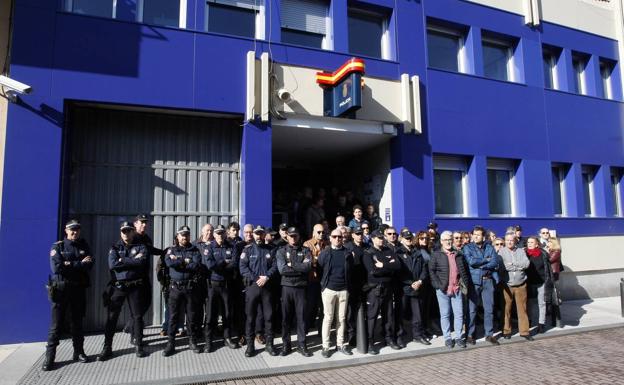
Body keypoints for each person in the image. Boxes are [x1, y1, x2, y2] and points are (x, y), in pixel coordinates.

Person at [42, 220, 94, 371]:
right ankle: (49, 358)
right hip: (61, 291)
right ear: (66, 230)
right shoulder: (58, 246)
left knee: (77, 323)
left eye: (77, 229)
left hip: (78, 291)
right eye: (72, 229)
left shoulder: (84, 245)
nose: (75, 232)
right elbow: (56, 268)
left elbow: (90, 265)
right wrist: (78, 264)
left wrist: (68, 264)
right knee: (56, 326)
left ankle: (79, 352)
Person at [98, 222, 149, 361]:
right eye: (124, 231)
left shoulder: (141, 246)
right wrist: (132, 260)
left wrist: (123, 260)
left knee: (137, 317)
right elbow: (113, 265)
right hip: (118, 287)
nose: (126, 233)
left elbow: (142, 262)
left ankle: (138, 345)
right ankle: (107, 348)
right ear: (121, 232)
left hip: (135, 287)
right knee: (112, 317)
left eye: (129, 231)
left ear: (133, 232)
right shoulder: (114, 247)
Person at [162, 226, 203, 356]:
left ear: (189, 236)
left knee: (191, 316)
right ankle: (171, 343)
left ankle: (192, 341)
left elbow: (196, 265)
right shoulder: (171, 250)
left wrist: (178, 261)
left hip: (190, 288)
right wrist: (185, 262)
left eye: (186, 235)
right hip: (175, 288)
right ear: (177, 237)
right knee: (173, 316)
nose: (184, 237)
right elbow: (169, 263)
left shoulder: (195, 250)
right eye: (182, 235)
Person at [239, 226, 278, 357]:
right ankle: (250, 346)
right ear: (254, 235)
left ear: (264, 235)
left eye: (261, 234)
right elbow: (243, 267)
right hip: (253, 287)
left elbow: (275, 266)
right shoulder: (248, 250)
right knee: (250, 318)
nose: (259, 236)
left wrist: (266, 276)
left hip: (267, 287)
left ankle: (269, 345)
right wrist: (257, 278)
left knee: (269, 317)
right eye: (257, 234)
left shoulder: (271, 249)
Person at [429, 231, 471, 349]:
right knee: (445, 314)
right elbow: (431, 271)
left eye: (450, 240)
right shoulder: (436, 254)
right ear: (441, 241)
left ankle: (458, 337)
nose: (448, 242)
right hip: (443, 290)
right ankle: (447, 338)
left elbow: (463, 271)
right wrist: (437, 285)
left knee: (459, 314)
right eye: (446, 240)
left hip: (457, 288)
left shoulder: (458, 254)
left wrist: (464, 283)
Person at [363, 230, 402, 354]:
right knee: (372, 317)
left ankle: (389, 339)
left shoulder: (388, 250)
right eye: (379, 238)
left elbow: (397, 266)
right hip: (375, 289)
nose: (381, 239)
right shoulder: (368, 253)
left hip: (388, 288)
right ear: (373, 239)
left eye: (382, 237)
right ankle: (370, 342)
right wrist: (388, 267)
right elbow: (373, 271)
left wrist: (383, 265)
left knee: (389, 315)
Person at [276, 227, 313, 357]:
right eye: (291, 236)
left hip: (301, 288)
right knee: (286, 318)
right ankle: (286, 345)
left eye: (295, 236)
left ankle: (302, 345)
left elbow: (308, 267)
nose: (293, 238)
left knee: (301, 318)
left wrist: (292, 265)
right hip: (287, 288)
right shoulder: (281, 251)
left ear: (298, 236)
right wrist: (299, 267)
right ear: (287, 237)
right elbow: (282, 270)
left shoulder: (306, 250)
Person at [202, 224, 239, 352]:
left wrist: (222, 266)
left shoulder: (232, 246)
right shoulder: (209, 247)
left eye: (222, 233)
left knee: (227, 313)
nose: (220, 235)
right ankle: (209, 341)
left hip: (226, 286)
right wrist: (224, 262)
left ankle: (227, 338)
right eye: (218, 233)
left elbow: (234, 264)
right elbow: (210, 265)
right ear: (214, 235)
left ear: (225, 234)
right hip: (213, 286)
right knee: (211, 314)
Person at [318, 228, 354, 357]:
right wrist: (324, 286)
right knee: (328, 318)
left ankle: (340, 344)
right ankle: (326, 346)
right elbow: (320, 267)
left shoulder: (347, 253)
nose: (337, 239)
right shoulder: (325, 253)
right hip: (329, 290)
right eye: (335, 236)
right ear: (330, 238)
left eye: (340, 237)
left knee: (342, 319)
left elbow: (350, 270)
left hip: (343, 290)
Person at [462, 225, 500, 345]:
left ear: (483, 237)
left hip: (488, 281)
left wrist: (483, 264)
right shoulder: (467, 247)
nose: (476, 236)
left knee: (489, 309)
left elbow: (495, 262)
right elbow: (471, 262)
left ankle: (489, 334)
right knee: (472, 310)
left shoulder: (489, 247)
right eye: (474, 234)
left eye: (478, 234)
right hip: (474, 282)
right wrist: (486, 260)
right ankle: (470, 335)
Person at [397, 229, 431, 346]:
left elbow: (424, 269)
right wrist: (411, 283)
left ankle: (417, 335)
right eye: (406, 238)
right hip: (404, 288)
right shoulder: (398, 252)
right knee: (401, 314)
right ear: (402, 239)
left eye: (410, 238)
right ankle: (399, 336)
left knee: (418, 314)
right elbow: (399, 271)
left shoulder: (417, 252)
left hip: (417, 287)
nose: (409, 240)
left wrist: (420, 281)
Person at [498, 233, 533, 341]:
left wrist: (513, 264)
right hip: (507, 285)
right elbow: (504, 266)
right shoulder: (501, 252)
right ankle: (506, 331)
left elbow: (526, 264)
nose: (509, 242)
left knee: (522, 309)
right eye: (507, 240)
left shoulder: (521, 251)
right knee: (506, 309)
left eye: (511, 240)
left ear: (515, 241)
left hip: (521, 284)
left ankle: (524, 331)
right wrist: (517, 266)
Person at [344, 225, 368, 346]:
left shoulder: (366, 247)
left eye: (361, 234)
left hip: (364, 284)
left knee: (363, 311)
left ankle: (363, 333)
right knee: (351, 313)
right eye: (357, 234)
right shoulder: (348, 247)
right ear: (353, 235)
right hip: (352, 284)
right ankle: (351, 336)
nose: (360, 236)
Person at [525, 236, 553, 334]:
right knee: (529, 304)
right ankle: (528, 321)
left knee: (542, 303)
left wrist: (549, 281)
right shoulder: (524, 253)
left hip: (541, 282)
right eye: (528, 242)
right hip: (529, 283)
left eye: (532, 242)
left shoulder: (543, 254)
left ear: (537, 244)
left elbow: (548, 269)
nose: (529, 244)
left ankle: (541, 324)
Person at [303, 223, 328, 333]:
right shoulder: (307, 244)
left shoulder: (327, 244)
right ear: (313, 233)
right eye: (319, 232)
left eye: (323, 232)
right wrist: (318, 260)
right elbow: (308, 262)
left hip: (324, 279)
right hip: (312, 279)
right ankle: (305, 329)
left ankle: (321, 330)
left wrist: (317, 259)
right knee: (310, 306)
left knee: (324, 307)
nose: (321, 234)